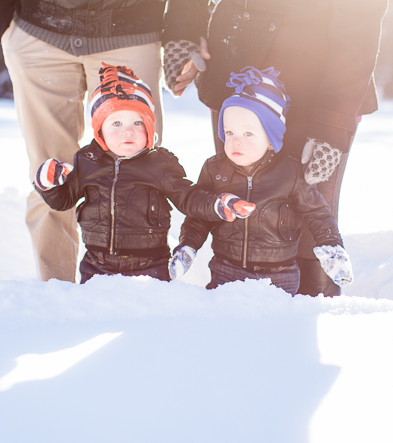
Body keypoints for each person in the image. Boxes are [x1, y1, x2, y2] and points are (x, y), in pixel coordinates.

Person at [162, 0, 393, 296]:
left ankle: (306, 315)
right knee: (238, 199)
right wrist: (183, 31)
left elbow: (362, 14)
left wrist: (333, 126)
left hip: (322, 73)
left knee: (309, 211)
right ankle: (230, 313)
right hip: (239, 61)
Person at [0, 0, 202, 281]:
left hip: (130, 34)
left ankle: (132, 300)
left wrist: (182, 27)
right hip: (39, 32)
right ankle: (57, 299)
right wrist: (2, 11)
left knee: (139, 175)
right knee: (50, 177)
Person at [33, 65, 256, 283]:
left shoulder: (160, 163)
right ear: (100, 130)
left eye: (137, 122)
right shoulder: (87, 161)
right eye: (116, 123)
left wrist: (216, 204)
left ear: (149, 127)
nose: (128, 130)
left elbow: (188, 198)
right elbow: (63, 201)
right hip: (96, 265)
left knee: (149, 318)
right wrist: (49, 184)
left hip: (150, 266)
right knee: (98, 317)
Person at [169, 67, 353, 295]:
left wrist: (331, 246)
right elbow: (199, 216)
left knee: (274, 327)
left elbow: (317, 213)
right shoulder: (215, 169)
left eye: (248, 134)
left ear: (270, 138)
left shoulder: (290, 173)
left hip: (280, 276)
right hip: (226, 271)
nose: (236, 142)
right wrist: (188, 247)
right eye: (229, 133)